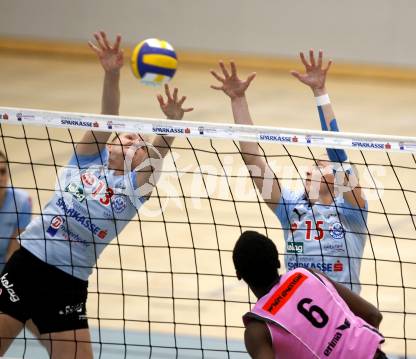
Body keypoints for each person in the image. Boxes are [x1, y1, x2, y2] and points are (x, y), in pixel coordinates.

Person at [0, 31, 193, 358]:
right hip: (26, 265)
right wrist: (112, 73)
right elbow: (107, 119)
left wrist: (171, 125)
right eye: (126, 135)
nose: (130, 138)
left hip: (68, 284)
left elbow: (159, 151)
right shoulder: (86, 160)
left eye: (137, 143)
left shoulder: (135, 190)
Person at [210, 50, 368, 293]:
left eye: (320, 165)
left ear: (338, 179)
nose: (310, 169)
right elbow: (253, 159)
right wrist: (237, 100)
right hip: (297, 313)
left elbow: (338, 154)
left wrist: (320, 93)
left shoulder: (351, 212)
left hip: (343, 316)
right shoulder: (290, 208)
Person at [233, 230, 387, 359]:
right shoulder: (307, 274)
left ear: (239, 275)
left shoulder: (257, 329)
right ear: (278, 262)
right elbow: (373, 315)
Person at [0, 151, 32, 271]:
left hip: (6, 269)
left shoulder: (22, 201)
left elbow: (12, 252)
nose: (0, 178)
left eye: (2, 172)